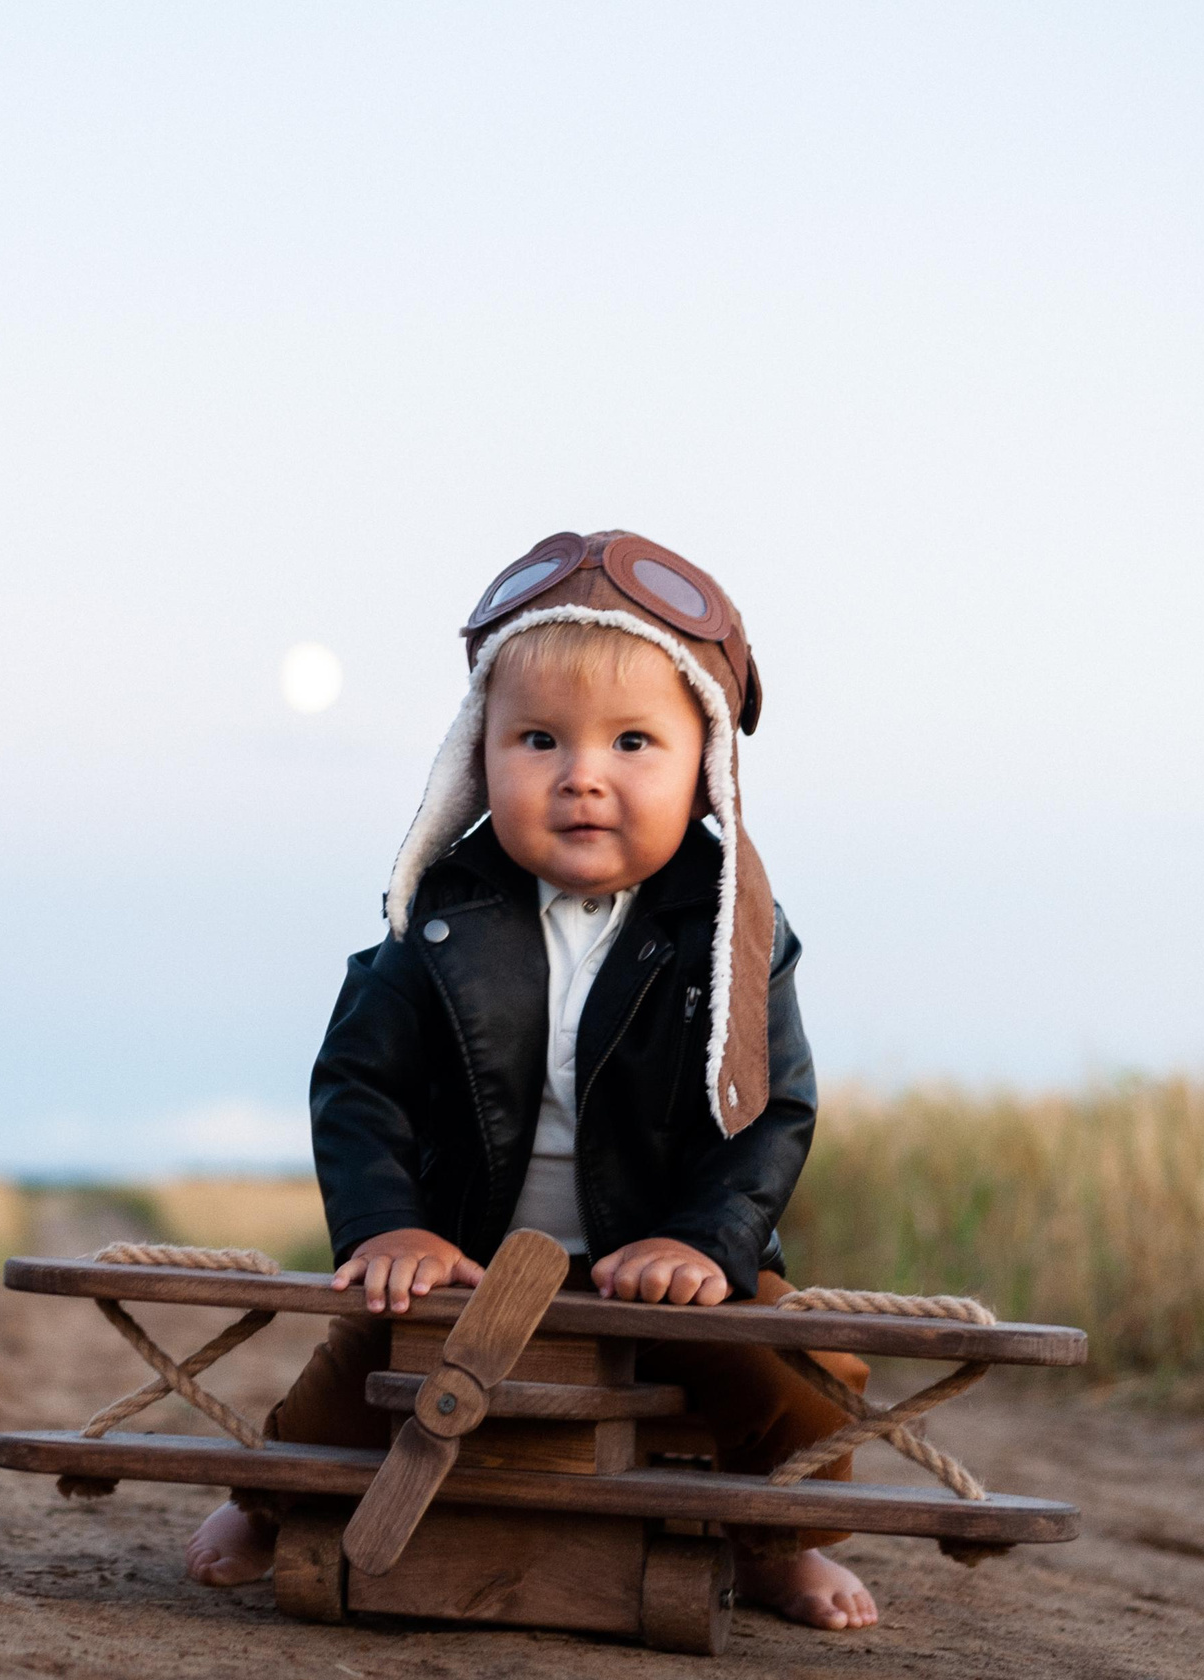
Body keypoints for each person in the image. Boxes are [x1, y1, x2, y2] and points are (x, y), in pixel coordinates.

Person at [184, 531, 879, 1631]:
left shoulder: (729, 935)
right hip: (465, 1255)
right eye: (539, 740)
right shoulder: (437, 920)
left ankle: (776, 1540)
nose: (582, 774)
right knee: (354, 1376)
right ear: (479, 755)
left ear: (706, 764)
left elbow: (770, 1110)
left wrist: (706, 1241)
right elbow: (356, 1086)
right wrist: (388, 1228)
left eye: (633, 741)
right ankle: (270, 1502)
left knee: (788, 1376)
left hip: (649, 1265)